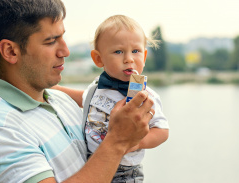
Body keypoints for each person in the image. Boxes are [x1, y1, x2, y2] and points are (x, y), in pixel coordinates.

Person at [0, 0, 156, 183]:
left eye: (62, 37)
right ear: (11, 51)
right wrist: (117, 141)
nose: (65, 51)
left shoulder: (61, 100)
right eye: (51, 41)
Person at [53, 15, 169, 182]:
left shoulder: (145, 97)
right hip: (91, 162)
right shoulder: (96, 88)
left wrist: (138, 142)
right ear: (98, 59)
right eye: (118, 51)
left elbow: (162, 131)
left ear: (143, 57)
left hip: (125, 173)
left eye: (135, 51)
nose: (129, 58)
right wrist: (55, 89)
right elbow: (84, 99)